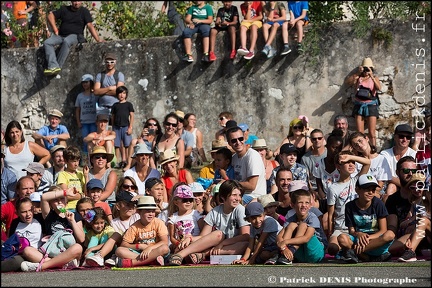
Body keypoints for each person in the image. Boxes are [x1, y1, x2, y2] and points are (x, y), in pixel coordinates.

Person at [168, 180, 250, 266]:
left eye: (240, 195)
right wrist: (190, 238)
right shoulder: (215, 211)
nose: (238, 198)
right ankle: (181, 255)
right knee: (218, 234)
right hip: (217, 245)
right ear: (223, 197)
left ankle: (203, 254)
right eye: (234, 195)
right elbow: (203, 236)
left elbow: (246, 236)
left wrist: (223, 243)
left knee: (245, 245)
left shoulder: (240, 209)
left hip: (231, 245)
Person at [19, 186, 85, 272]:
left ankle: (42, 266)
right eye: (55, 200)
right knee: (27, 250)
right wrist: (64, 192)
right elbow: (44, 197)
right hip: (51, 252)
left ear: (66, 201)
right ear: (50, 203)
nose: (59, 202)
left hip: (68, 252)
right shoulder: (48, 215)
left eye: (62, 199)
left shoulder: (75, 215)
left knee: (78, 248)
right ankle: (59, 264)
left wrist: (72, 221)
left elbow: (81, 239)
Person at [337, 174, 394, 263]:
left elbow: (383, 230)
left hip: (375, 240)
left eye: (373, 190)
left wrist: (368, 238)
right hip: (358, 239)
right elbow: (351, 230)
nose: (371, 192)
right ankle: (366, 257)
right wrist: (358, 234)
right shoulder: (350, 206)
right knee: (342, 238)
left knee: (390, 234)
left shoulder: (378, 204)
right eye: (367, 189)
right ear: (357, 190)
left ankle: (354, 253)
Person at [326, 151, 371, 256]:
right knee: (332, 248)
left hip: (357, 227)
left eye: (353, 162)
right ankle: (352, 250)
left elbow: (367, 163)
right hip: (341, 228)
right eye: (347, 162)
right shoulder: (333, 188)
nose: (351, 164)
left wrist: (350, 156)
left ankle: (350, 250)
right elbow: (331, 214)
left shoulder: (356, 180)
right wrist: (330, 233)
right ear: (338, 166)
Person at [43, 1, 103, 76]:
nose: (77, 3)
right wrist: (55, 29)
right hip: (61, 36)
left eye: (78, 1)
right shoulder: (64, 9)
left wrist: (98, 39)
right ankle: (53, 66)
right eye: (75, 1)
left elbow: (90, 25)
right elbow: (50, 16)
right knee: (47, 42)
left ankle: (58, 67)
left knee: (67, 41)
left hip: (76, 36)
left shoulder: (84, 11)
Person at [115, 196, 170, 268]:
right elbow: (124, 244)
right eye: (147, 211)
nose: (151, 214)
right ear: (139, 212)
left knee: (165, 248)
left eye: (153, 211)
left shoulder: (158, 222)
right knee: (119, 250)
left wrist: (149, 248)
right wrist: (139, 246)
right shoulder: (134, 227)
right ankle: (152, 260)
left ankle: (133, 262)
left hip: (156, 250)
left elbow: (164, 241)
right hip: (141, 252)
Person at [276, 188, 327, 264]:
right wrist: (284, 248)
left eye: (307, 203)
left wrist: (285, 242)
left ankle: (289, 252)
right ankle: (285, 255)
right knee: (292, 225)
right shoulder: (290, 218)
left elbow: (306, 238)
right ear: (292, 205)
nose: (304, 205)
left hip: (315, 252)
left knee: (302, 225)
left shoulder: (312, 217)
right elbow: (279, 236)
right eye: (300, 202)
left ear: (310, 205)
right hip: (301, 254)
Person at [385, 156, 420, 256]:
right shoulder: (392, 199)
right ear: (397, 172)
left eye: (414, 171)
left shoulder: (424, 195)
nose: (410, 174)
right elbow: (392, 226)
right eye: (406, 170)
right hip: (402, 238)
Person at [345, 57, 382, 146]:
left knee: (372, 133)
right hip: (359, 104)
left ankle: (373, 149)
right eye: (365, 68)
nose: (366, 71)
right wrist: (358, 73)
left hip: (371, 105)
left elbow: (379, 88)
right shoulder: (358, 77)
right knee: (360, 132)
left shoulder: (374, 77)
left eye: (368, 68)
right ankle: (361, 150)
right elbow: (348, 82)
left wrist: (371, 76)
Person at [1, 196, 44, 272]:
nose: (28, 214)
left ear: (33, 209)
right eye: (24, 212)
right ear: (17, 213)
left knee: (16, 261)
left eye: (30, 210)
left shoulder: (39, 219)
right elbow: (11, 239)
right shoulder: (15, 223)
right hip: (17, 251)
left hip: (31, 254)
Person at [226, 125, 266, 204]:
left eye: (240, 139)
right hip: (240, 193)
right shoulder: (234, 158)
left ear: (245, 138)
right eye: (234, 140)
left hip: (254, 196)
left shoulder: (252, 156)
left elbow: (251, 185)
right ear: (229, 143)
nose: (238, 142)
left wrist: (229, 183)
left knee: (229, 203)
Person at [349, 132, 392, 200]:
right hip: (359, 192)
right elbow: (354, 182)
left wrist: (369, 193)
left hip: (376, 192)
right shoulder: (356, 162)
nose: (359, 145)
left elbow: (380, 184)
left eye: (360, 141)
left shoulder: (381, 159)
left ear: (366, 138)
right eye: (356, 145)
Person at [380, 124, 417, 199]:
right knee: (391, 187)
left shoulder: (415, 155)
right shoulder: (385, 154)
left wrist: (391, 178)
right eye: (401, 136)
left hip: (410, 187)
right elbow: (384, 176)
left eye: (408, 137)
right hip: (390, 186)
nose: (405, 140)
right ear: (395, 137)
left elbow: (388, 176)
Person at [167, 184, 204, 254]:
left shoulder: (196, 214)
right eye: (184, 200)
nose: (188, 202)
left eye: (190, 199)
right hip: (179, 244)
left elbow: (203, 233)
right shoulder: (173, 218)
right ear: (176, 202)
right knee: (174, 249)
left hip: (195, 243)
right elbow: (172, 238)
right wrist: (179, 243)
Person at [397, 187, 430, 262]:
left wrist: (413, 219)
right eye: (412, 188)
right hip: (422, 234)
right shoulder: (416, 203)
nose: (416, 190)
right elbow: (404, 223)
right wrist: (411, 238)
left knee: (424, 220)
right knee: (393, 247)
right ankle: (411, 251)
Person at [111, 85, 135, 169]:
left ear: (126, 94)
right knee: (117, 145)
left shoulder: (129, 105)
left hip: (125, 127)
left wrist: (130, 127)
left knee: (127, 145)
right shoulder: (115, 105)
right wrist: (112, 128)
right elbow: (113, 117)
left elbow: (132, 116)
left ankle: (128, 162)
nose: (121, 95)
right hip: (116, 128)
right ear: (117, 94)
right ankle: (117, 162)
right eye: (120, 93)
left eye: (124, 93)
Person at [75, 73, 97, 160]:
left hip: (94, 122)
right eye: (83, 82)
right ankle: (85, 160)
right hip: (84, 122)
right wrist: (78, 122)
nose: (85, 84)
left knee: (94, 142)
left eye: (87, 82)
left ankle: (93, 160)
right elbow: (77, 109)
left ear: (91, 83)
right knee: (85, 142)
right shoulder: (80, 96)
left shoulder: (95, 95)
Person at [56, 145, 86, 211]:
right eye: (73, 161)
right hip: (70, 207)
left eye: (77, 160)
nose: (76, 164)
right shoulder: (62, 175)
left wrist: (86, 176)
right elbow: (66, 195)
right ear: (66, 161)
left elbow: (86, 193)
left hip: (83, 207)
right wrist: (81, 196)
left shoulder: (81, 174)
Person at [301, 129, 327, 194]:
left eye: (319, 138)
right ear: (311, 140)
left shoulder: (329, 154)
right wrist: (311, 191)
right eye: (314, 139)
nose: (317, 140)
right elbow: (306, 178)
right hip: (314, 189)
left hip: (329, 186)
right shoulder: (305, 158)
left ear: (323, 139)